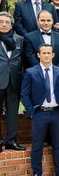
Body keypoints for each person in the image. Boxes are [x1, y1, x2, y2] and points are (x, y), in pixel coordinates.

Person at [21, 44, 59, 176]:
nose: (46, 55)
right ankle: (37, 173)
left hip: (57, 113)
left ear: (53, 55)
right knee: (37, 145)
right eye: (43, 53)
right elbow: (24, 94)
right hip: (40, 113)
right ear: (38, 55)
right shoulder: (30, 72)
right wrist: (31, 111)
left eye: (48, 53)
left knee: (58, 144)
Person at [0, 12, 25, 152]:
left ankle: (11, 141)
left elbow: (22, 60)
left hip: (14, 81)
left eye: (7, 22)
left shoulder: (19, 39)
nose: (4, 24)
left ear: (11, 24)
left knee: (12, 113)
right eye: (1, 22)